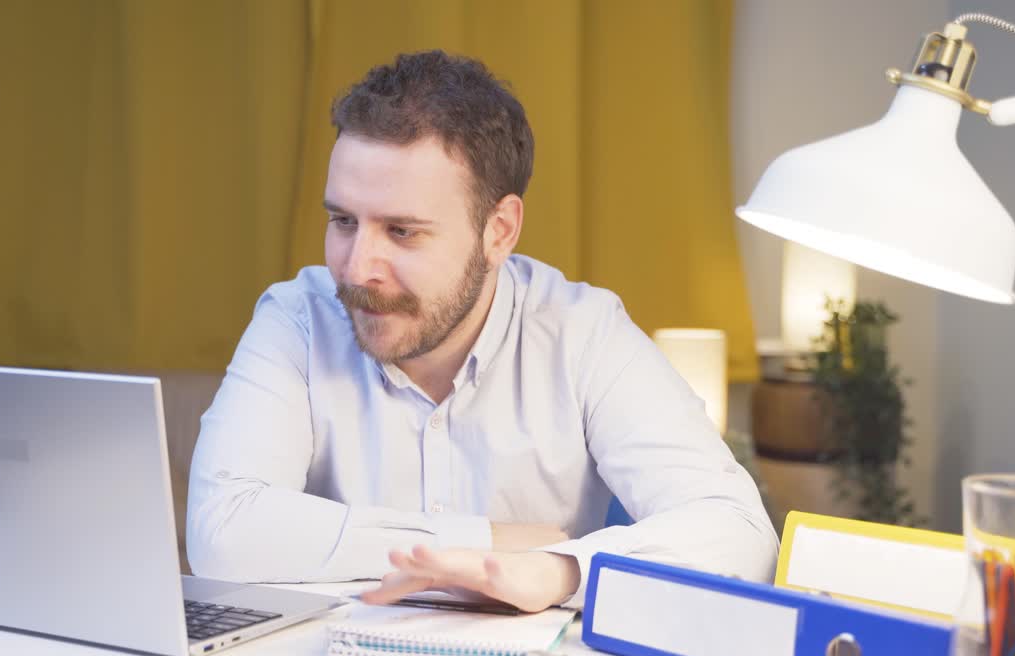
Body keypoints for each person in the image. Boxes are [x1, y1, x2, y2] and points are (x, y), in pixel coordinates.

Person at [186, 50, 777, 612]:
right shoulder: (297, 317)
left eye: (402, 231)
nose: (357, 267)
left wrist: (556, 570)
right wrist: (488, 540)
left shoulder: (584, 333)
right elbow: (221, 532)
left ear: (499, 230)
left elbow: (740, 532)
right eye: (343, 220)